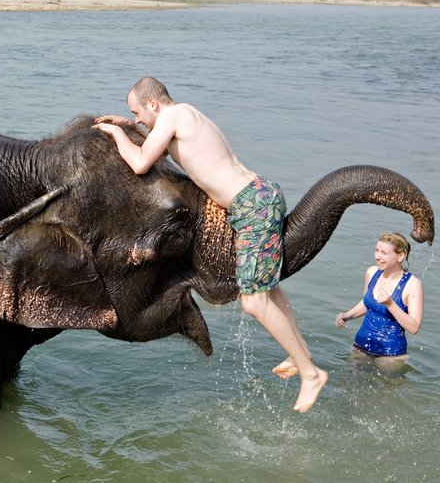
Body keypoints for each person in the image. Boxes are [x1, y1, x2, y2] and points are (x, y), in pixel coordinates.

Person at [94, 76, 328, 412]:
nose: (136, 120)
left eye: (137, 113)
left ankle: (311, 373)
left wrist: (116, 134)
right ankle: (298, 354)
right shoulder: (186, 115)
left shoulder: (173, 118)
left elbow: (142, 162)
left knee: (254, 302)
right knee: (269, 289)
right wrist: (130, 128)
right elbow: (164, 145)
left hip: (251, 207)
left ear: (154, 104)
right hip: (259, 196)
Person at [335, 232, 424, 370]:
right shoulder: (372, 273)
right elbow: (367, 303)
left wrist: (390, 304)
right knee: (351, 385)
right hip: (360, 346)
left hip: (390, 355)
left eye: (384, 253)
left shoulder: (413, 285)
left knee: (386, 391)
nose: (377, 256)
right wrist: (347, 316)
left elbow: (414, 327)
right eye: (376, 250)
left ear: (400, 256)